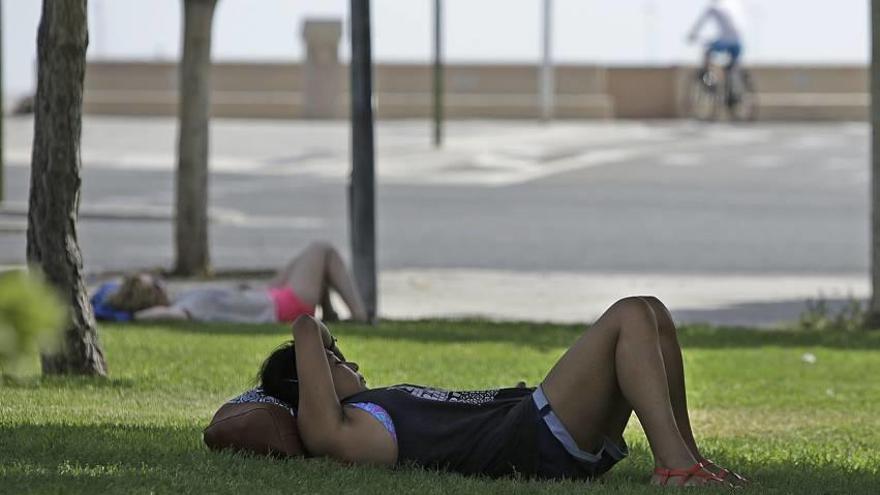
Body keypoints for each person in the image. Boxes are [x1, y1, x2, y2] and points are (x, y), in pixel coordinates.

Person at [258, 297, 749, 487]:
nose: (353, 365)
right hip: (531, 440)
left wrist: (324, 357)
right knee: (629, 315)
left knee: (652, 313)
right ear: (311, 383)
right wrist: (313, 349)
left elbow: (313, 337)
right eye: (337, 363)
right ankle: (674, 471)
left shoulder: (365, 410)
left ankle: (689, 459)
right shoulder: (337, 431)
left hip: (532, 423)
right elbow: (306, 325)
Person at [94, 242, 368, 323]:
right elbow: (166, 316)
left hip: (268, 295)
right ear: (151, 296)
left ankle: (330, 315)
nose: (160, 281)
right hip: (283, 306)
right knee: (323, 251)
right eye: (154, 284)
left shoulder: (184, 300)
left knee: (309, 259)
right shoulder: (187, 307)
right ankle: (360, 317)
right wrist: (129, 317)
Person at [687, 0, 746, 73]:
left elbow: (700, 23)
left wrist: (692, 34)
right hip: (739, 42)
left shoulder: (713, 7)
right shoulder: (731, 4)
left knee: (707, 51)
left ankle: (707, 76)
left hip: (726, 41)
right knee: (730, 68)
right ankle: (732, 77)